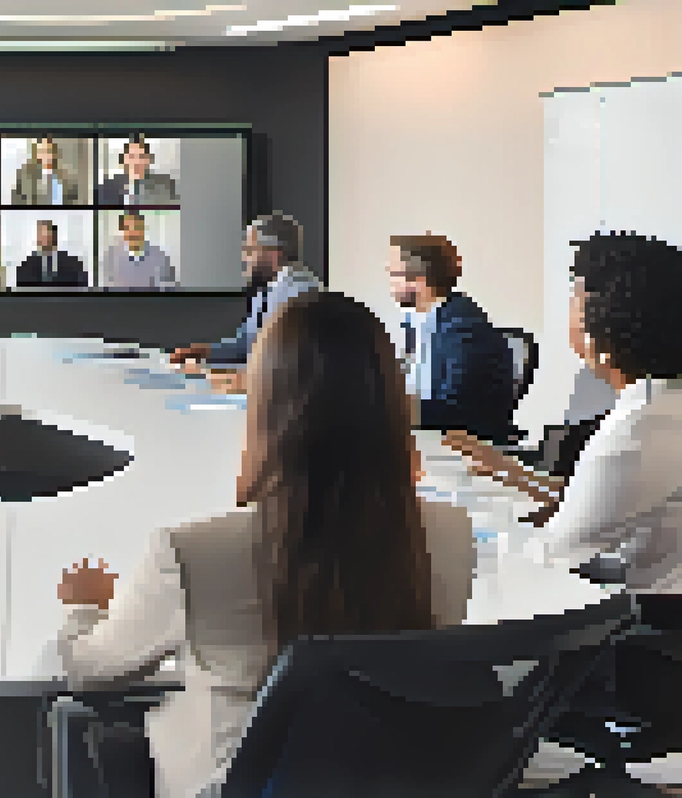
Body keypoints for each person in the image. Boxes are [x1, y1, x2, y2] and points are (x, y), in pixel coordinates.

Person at [56, 291, 474, 798]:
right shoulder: (451, 535)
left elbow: (91, 670)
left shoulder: (192, 552)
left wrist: (84, 607)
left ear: (267, 406)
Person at [444, 231, 682, 588]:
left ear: (596, 327)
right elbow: (603, 498)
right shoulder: (661, 403)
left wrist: (462, 534)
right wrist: (513, 472)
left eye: (574, 297)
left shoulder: (641, 424)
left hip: (649, 621)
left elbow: (552, 555)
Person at [386, 233, 518, 444]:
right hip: (430, 440)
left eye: (393, 273)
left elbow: (457, 410)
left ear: (418, 280)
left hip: (464, 451)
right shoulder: (419, 322)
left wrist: (389, 410)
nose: (389, 281)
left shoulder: (464, 327)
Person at [169, 212, 323, 371]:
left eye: (250, 250)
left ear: (273, 254)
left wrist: (243, 382)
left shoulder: (304, 294)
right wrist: (202, 352)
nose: (244, 259)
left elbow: (294, 365)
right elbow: (244, 345)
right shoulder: (266, 291)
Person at [99, 211, 175, 290]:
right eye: (127, 228)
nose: (132, 233)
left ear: (143, 229)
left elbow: (168, 287)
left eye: (137, 228)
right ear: (122, 231)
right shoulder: (110, 256)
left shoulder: (160, 256)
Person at [96, 134, 178, 206]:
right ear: (124, 160)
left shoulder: (164, 184)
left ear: (149, 159)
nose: (136, 162)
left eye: (141, 157)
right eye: (131, 156)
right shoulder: (107, 187)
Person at [15, 220, 88, 288]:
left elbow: (82, 289)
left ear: (54, 237)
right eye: (41, 235)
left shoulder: (73, 264)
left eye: (46, 235)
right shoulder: (26, 266)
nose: (43, 239)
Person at [11, 136, 81, 205]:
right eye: (42, 152)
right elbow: (18, 199)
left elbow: (73, 199)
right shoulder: (25, 173)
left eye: (49, 151)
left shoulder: (66, 175)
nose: (46, 155)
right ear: (37, 154)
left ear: (54, 153)